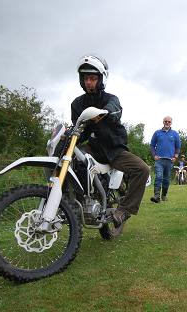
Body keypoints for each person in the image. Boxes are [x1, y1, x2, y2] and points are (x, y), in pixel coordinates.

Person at [71, 54, 150, 226]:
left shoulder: (111, 99)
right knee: (71, 158)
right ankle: (74, 203)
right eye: (86, 78)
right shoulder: (77, 104)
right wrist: (69, 137)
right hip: (93, 148)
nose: (89, 82)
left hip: (114, 150)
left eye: (92, 78)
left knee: (142, 169)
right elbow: (80, 131)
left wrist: (104, 112)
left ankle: (124, 210)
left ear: (100, 79)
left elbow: (115, 110)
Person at [150, 116, 181, 202]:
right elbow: (152, 145)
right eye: (165, 121)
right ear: (163, 122)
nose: (167, 123)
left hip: (170, 160)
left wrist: (176, 156)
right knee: (159, 177)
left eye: (169, 122)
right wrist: (154, 155)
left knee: (166, 179)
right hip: (159, 160)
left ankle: (164, 195)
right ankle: (156, 196)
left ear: (171, 123)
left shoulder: (175, 134)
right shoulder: (157, 133)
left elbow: (178, 147)